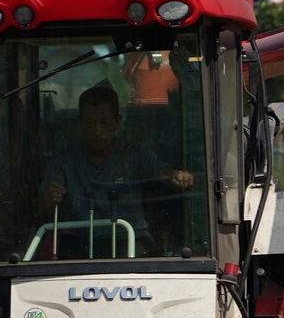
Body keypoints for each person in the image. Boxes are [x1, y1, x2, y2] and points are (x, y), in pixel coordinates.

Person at [41, 83, 194, 253]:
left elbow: (165, 173)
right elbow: (41, 205)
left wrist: (178, 176)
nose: (97, 131)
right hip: (80, 243)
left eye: (104, 122)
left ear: (117, 122)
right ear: (80, 123)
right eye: (90, 122)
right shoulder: (63, 160)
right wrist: (48, 197)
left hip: (130, 239)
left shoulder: (136, 154)